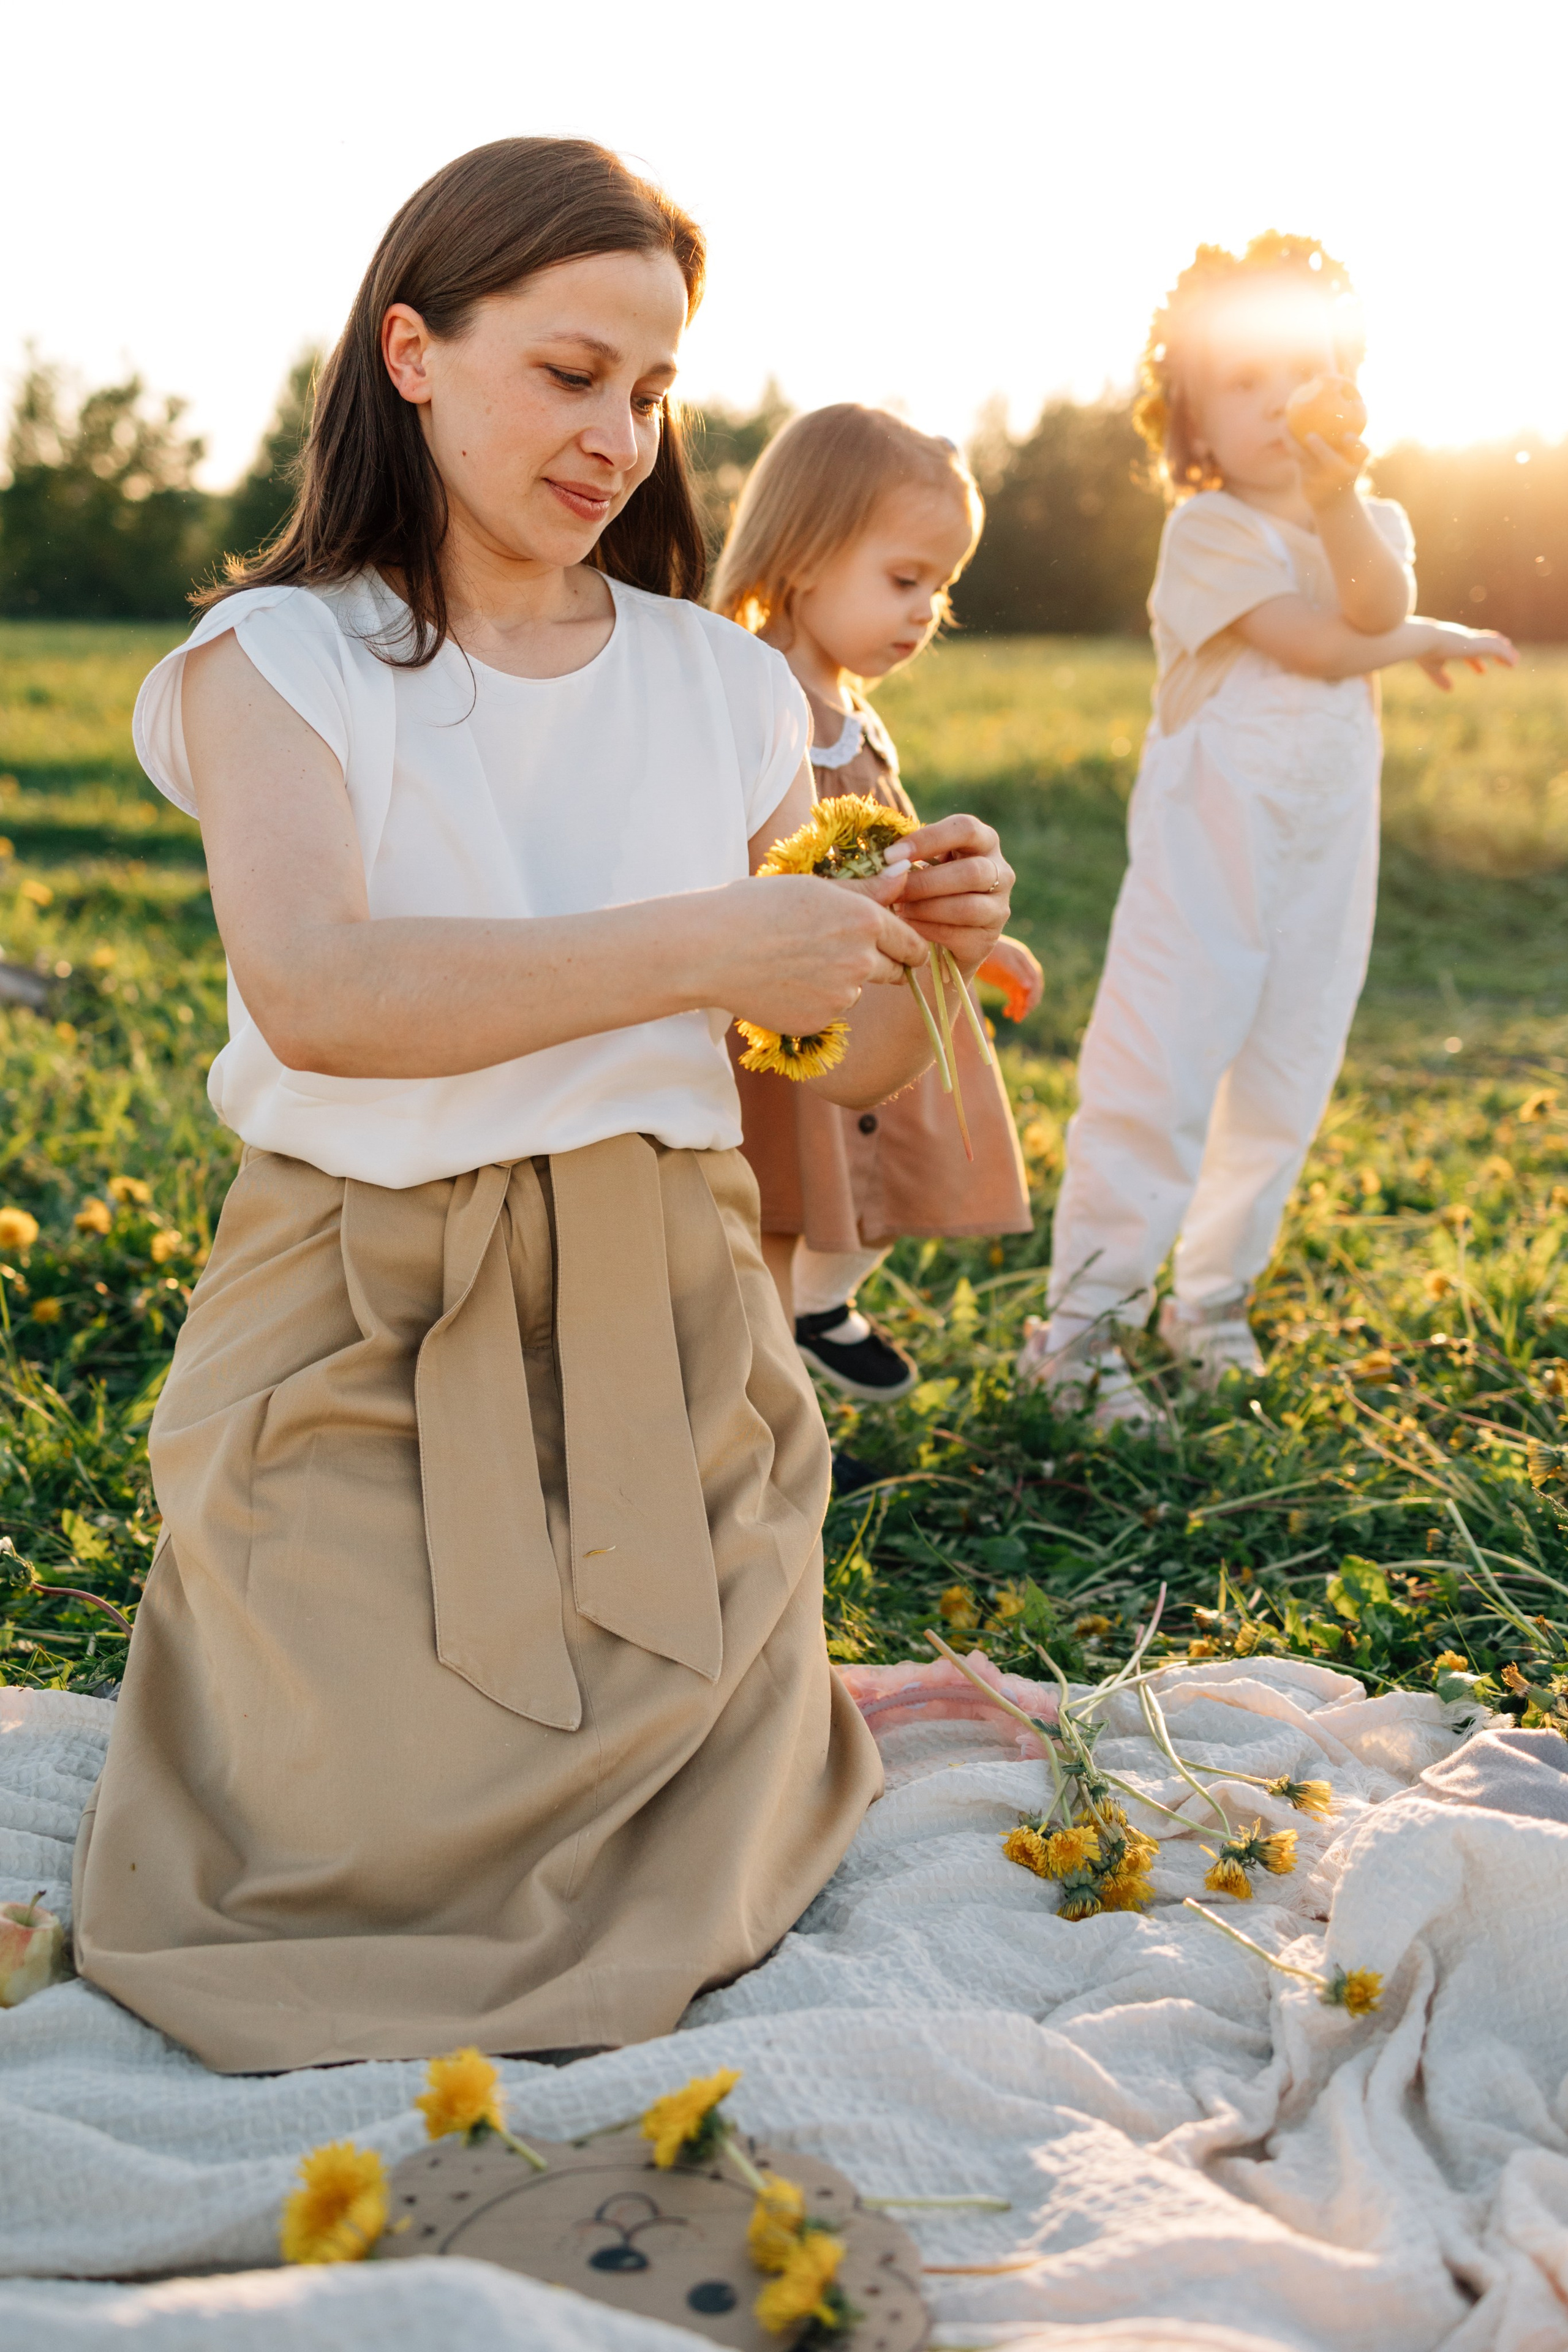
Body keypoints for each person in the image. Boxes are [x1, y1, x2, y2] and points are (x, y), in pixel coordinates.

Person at [70, 138, 1015, 2071]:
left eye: (655, 393)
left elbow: (831, 1065)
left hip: (664, 1326)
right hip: (361, 1319)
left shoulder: (723, 685)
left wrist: (905, 947)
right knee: (354, 1834)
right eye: (571, 374)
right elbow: (320, 996)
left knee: (676, 1795)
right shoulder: (285, 660)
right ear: (413, 352)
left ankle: (777, 1700)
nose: (620, 438)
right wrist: (708, 942)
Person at [1019, 234, 1515, 1430]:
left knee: (1283, 1081)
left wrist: (1350, 514)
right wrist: (1428, 637)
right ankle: (1082, 1331)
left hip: (1317, 873)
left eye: (1298, 370)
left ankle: (1211, 1299)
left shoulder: (1368, 520)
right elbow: (1320, 642)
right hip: (1204, 874)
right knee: (1157, 1078)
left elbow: (1368, 601)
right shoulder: (1207, 531)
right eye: (1239, 383)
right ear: (1187, 420)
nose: (1275, 400)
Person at [711, 406, 1038, 1404]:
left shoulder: (854, 706)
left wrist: (983, 946)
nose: (927, 611)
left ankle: (820, 1311)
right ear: (804, 558)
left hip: (882, 1003)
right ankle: (779, 1424)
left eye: (941, 589)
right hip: (792, 1021)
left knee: (883, 1185)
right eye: (905, 581)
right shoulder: (755, 694)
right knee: (769, 1225)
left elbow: (900, 855)